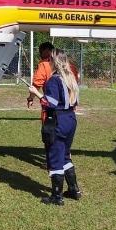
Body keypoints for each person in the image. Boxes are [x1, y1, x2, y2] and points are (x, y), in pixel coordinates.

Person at [37, 49, 81, 205]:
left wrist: (37, 94)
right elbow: (75, 102)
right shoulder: (70, 77)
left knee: (55, 157)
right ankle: (74, 190)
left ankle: (56, 196)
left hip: (58, 120)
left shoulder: (54, 80)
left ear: (53, 61)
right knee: (65, 155)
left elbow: (50, 103)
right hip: (71, 119)